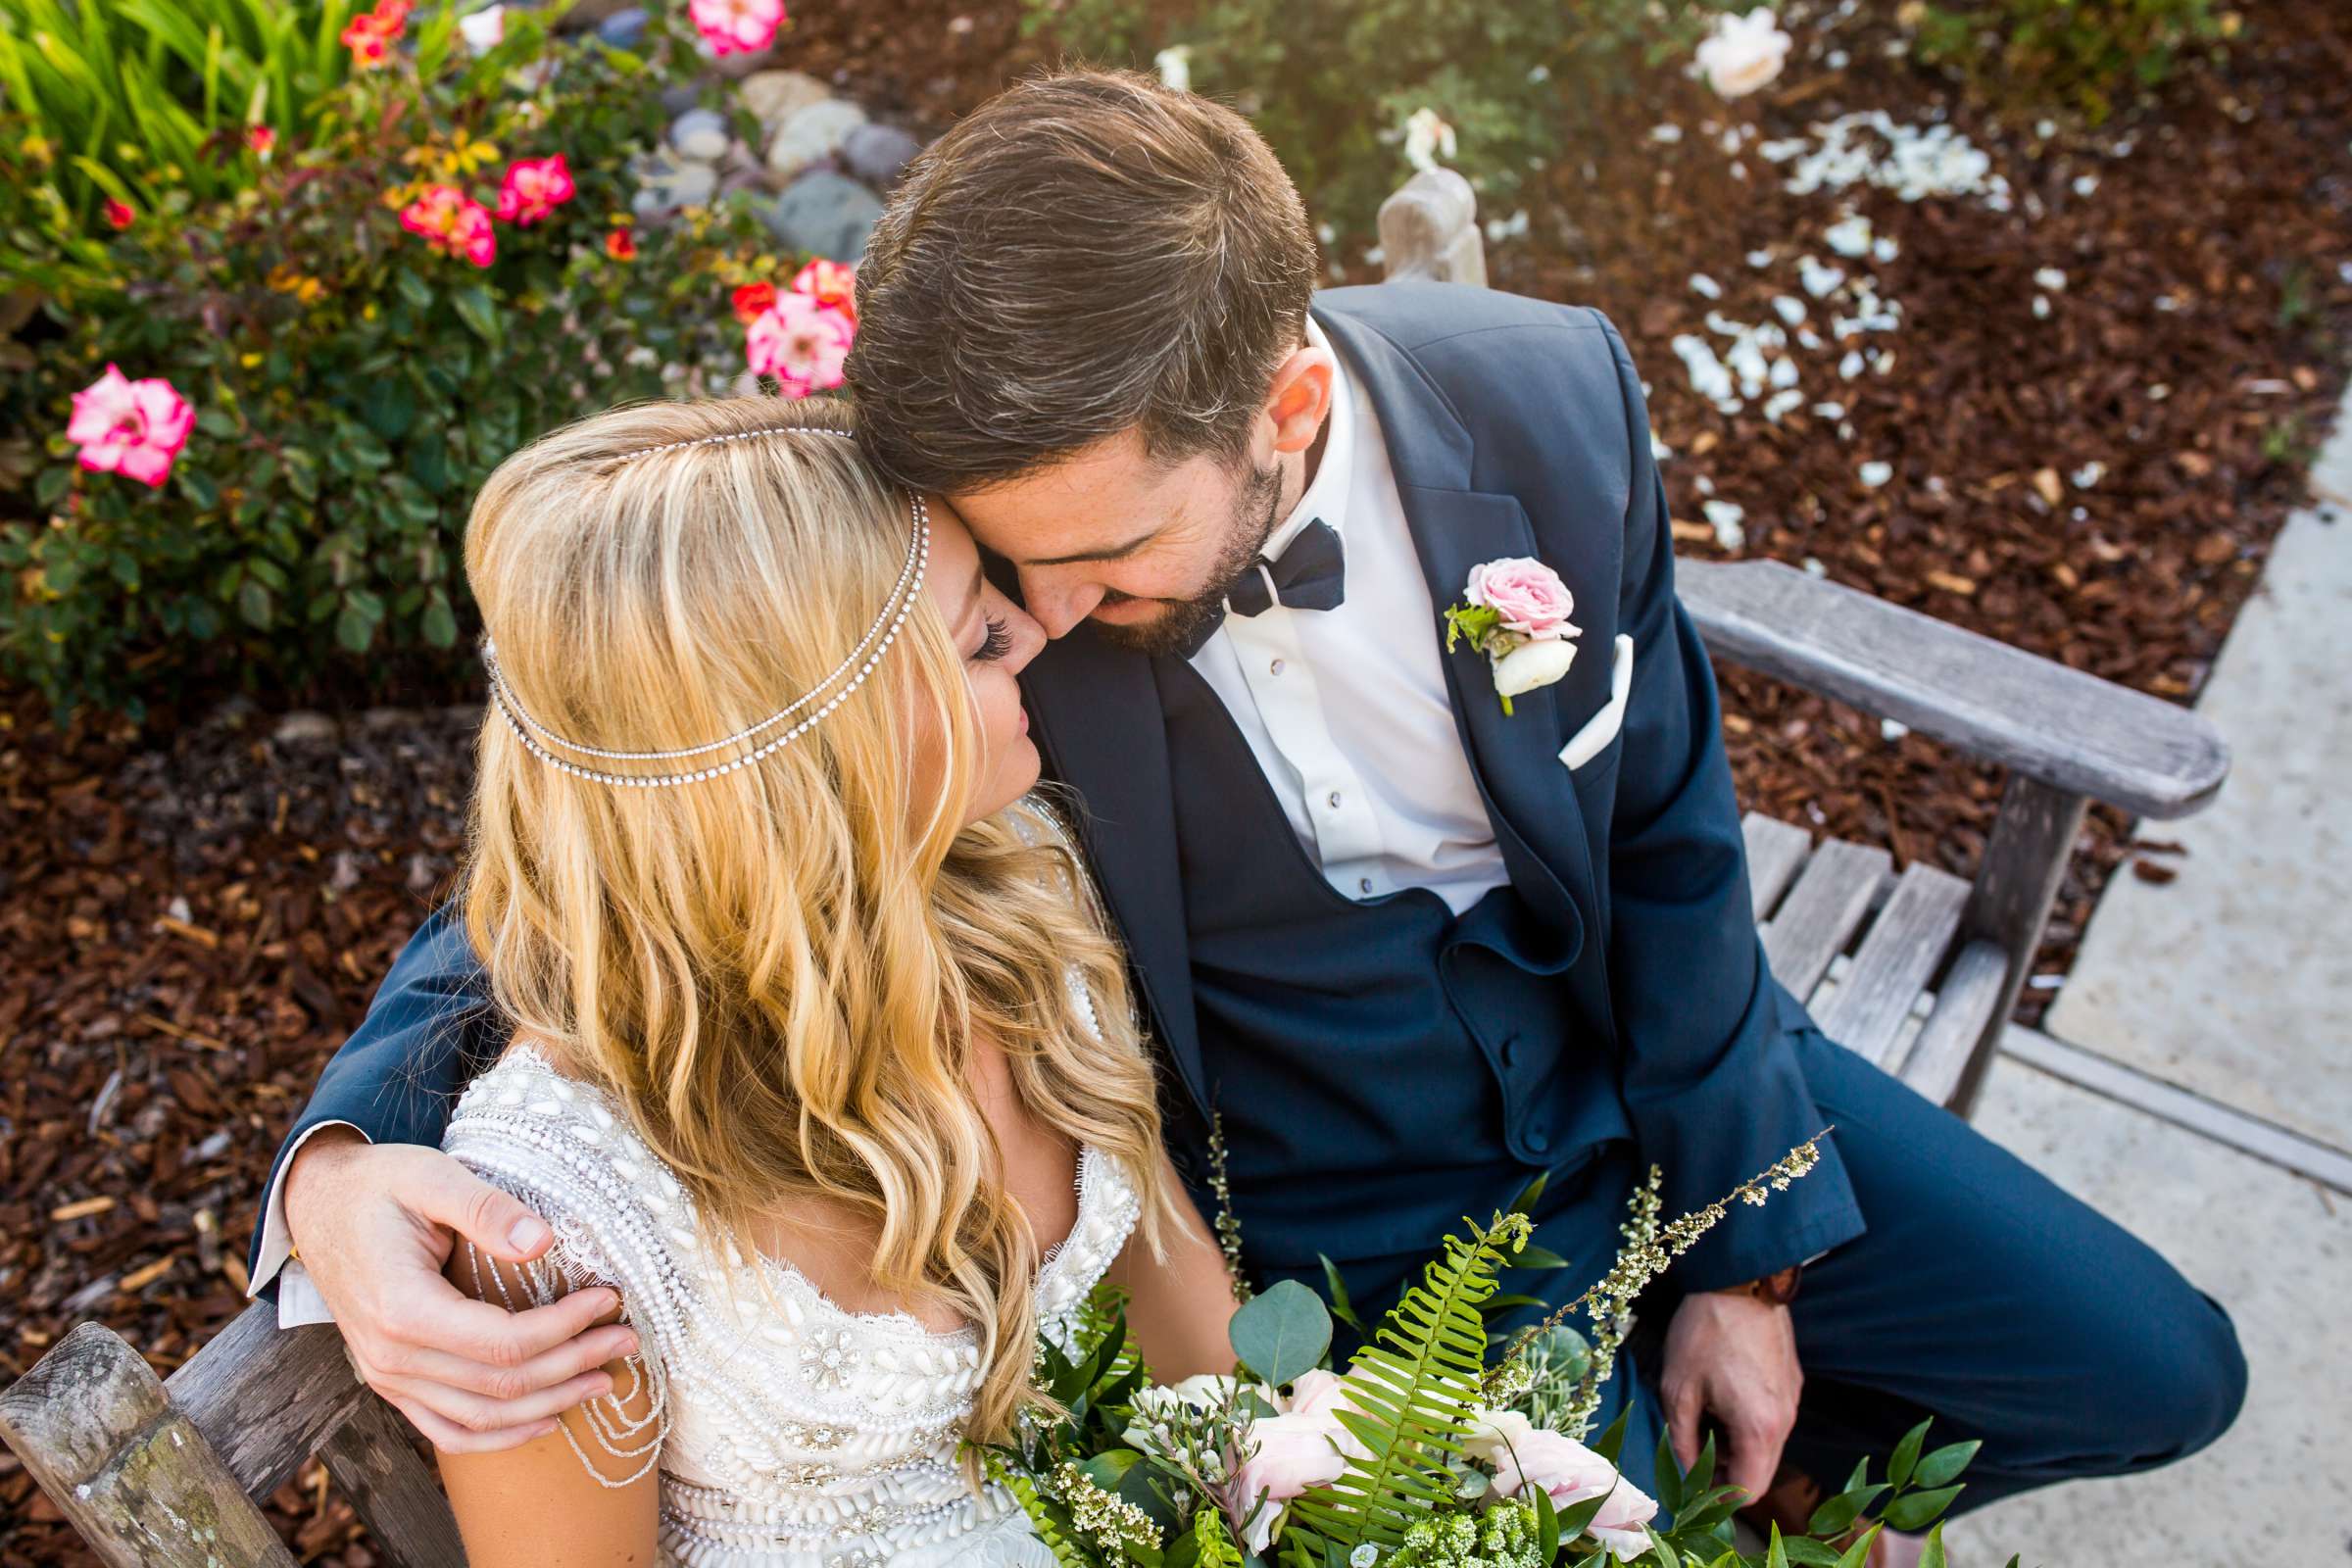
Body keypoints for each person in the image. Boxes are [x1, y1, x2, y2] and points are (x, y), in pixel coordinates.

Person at [253, 71, 2245, 1556]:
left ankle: (1785, 1462)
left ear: (1285, 408)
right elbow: (661, 804)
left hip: (1639, 1080)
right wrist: (339, 1165)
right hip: (1334, 1191)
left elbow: (1668, 832)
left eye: (1096, 565)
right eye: (991, 592)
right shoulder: (977, 498)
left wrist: (1749, 1254)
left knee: (2152, 1369)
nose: (1030, 621)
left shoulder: (1550, 392)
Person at [386, 396, 1238, 1566]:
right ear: (820, 753)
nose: (1034, 632)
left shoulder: (1019, 889)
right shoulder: (560, 1215)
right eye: (978, 641)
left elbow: (1206, 1352)